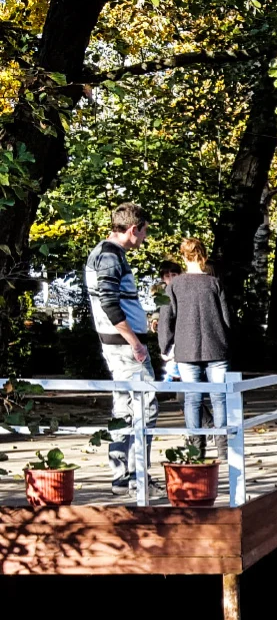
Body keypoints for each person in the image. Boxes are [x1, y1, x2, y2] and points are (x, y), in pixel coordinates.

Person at [85, 202, 155, 492]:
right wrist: (135, 343)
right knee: (145, 407)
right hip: (125, 348)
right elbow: (109, 303)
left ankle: (122, 478)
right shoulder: (110, 256)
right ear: (133, 229)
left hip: (117, 345)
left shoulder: (105, 253)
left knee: (124, 407)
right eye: (144, 232)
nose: (145, 238)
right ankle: (138, 478)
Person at [157, 237, 233, 454]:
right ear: (204, 256)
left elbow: (166, 319)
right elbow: (227, 319)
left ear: (183, 257)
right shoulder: (215, 283)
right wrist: (228, 343)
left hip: (186, 349)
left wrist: (165, 347)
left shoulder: (174, 286)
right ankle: (223, 447)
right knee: (219, 398)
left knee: (192, 399)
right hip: (216, 347)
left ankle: (196, 447)